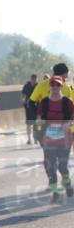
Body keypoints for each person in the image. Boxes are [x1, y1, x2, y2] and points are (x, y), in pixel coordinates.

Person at [37, 75, 74, 203]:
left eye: (58, 85)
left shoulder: (67, 102)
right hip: (49, 138)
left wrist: (68, 123)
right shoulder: (44, 102)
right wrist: (39, 121)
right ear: (50, 86)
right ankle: (55, 192)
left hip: (65, 138)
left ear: (61, 87)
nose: (55, 87)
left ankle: (67, 183)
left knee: (62, 166)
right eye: (53, 85)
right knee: (49, 166)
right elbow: (39, 117)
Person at [22, 74, 39, 144]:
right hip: (28, 106)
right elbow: (23, 94)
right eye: (32, 79)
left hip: (36, 106)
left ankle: (35, 138)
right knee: (28, 123)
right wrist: (23, 99)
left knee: (35, 123)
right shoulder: (26, 86)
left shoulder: (38, 86)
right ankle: (29, 139)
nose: (34, 80)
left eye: (35, 79)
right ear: (30, 79)